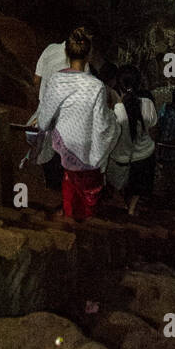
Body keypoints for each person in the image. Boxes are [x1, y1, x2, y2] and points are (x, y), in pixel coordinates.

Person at [36, 26, 120, 221]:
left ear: (67, 52)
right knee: (89, 198)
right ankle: (87, 225)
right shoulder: (96, 86)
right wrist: (115, 124)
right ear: (89, 55)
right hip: (86, 151)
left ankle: (71, 223)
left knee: (69, 191)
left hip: (64, 149)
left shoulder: (56, 80)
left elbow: (45, 119)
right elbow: (101, 125)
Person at [107, 64, 158, 216]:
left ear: (118, 85)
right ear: (139, 83)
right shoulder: (148, 104)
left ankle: (122, 203)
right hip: (144, 157)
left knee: (121, 182)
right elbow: (154, 134)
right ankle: (132, 209)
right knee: (138, 185)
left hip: (121, 158)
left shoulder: (115, 111)